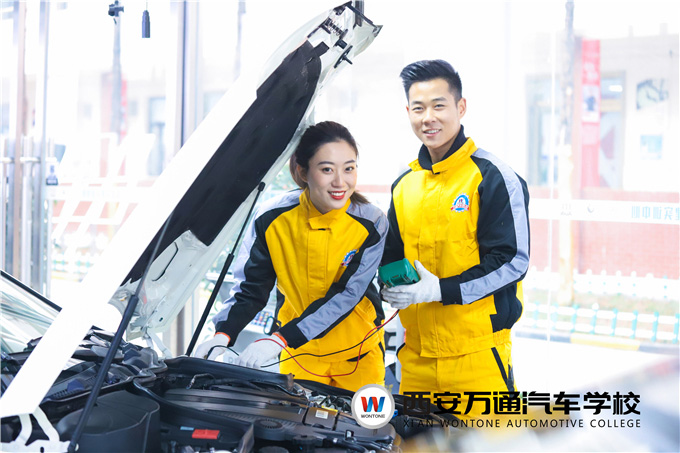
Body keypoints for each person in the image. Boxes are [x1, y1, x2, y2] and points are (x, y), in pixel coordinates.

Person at [380, 60, 530, 420]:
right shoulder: (404, 185)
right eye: (418, 108)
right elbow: (392, 257)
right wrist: (389, 286)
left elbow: (513, 261)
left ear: (461, 108)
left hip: (477, 361)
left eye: (439, 105)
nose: (428, 118)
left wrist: (440, 290)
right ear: (408, 112)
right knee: (416, 443)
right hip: (415, 362)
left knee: (489, 445)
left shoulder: (492, 177)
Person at [194, 121, 388, 392]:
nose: (340, 182)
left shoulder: (372, 222)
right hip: (299, 353)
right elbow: (251, 287)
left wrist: (280, 339)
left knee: (361, 420)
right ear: (303, 171)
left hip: (358, 353)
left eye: (349, 168)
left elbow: (347, 294)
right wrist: (223, 332)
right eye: (327, 169)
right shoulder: (271, 218)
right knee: (299, 420)